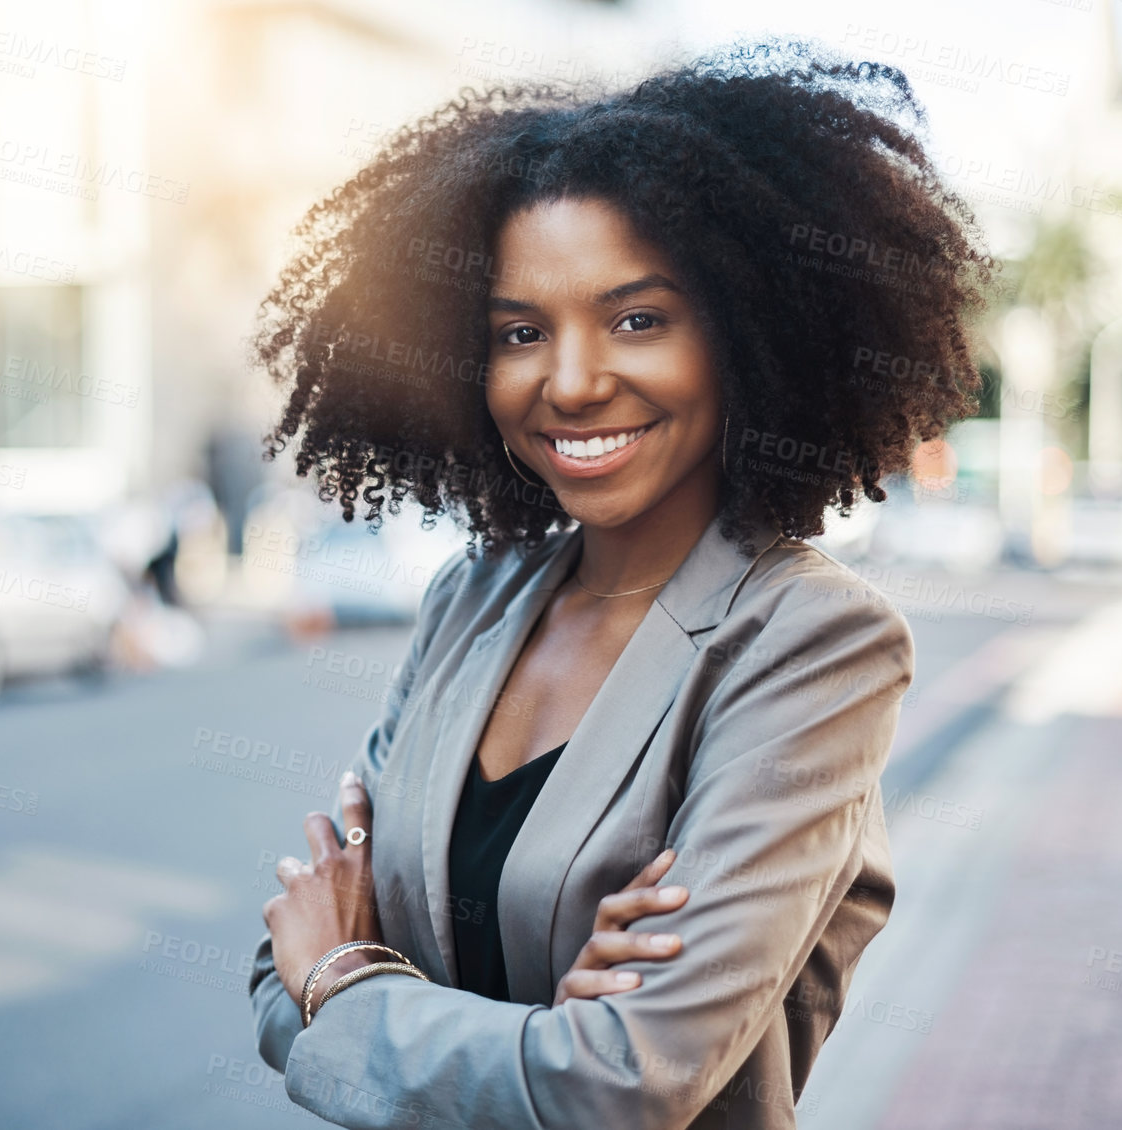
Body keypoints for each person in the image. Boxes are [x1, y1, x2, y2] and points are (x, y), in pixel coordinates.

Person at [245, 40, 993, 1130]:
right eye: (519, 331)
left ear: (742, 334)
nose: (573, 380)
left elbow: (619, 1081)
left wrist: (349, 978)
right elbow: (273, 973)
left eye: (637, 318)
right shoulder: (474, 596)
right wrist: (532, 1031)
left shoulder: (811, 640)